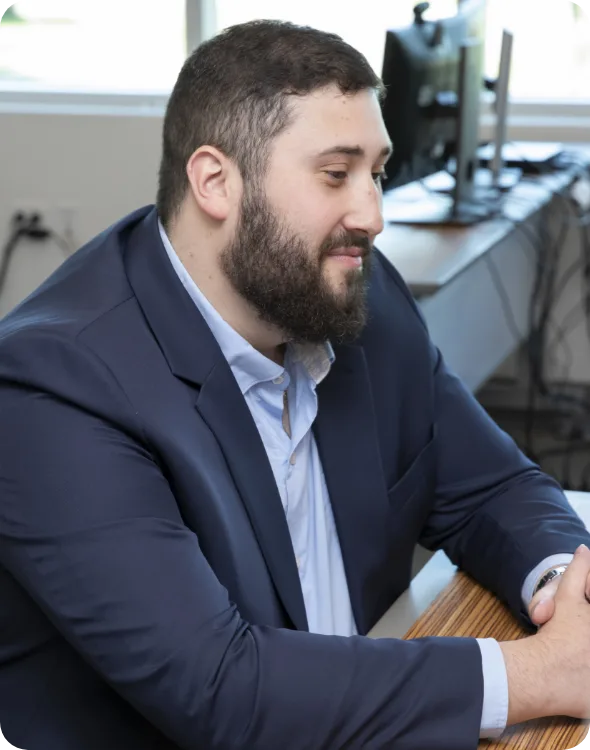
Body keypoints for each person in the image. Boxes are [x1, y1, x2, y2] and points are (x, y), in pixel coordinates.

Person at [0, 19, 589, 750]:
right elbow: (223, 689)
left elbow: (491, 488)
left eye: (377, 172)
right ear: (215, 181)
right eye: (335, 174)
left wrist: (564, 592)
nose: (372, 216)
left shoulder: (349, 296)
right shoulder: (53, 390)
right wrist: (536, 675)